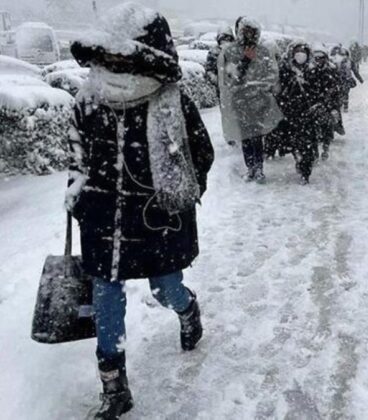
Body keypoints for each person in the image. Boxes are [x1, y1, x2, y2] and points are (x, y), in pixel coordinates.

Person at [66, 3, 214, 419]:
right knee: (106, 300)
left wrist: (177, 194)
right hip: (103, 222)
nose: (115, 64)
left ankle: (186, 309)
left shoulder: (170, 101)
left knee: (164, 288)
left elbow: (201, 154)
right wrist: (78, 194)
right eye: (109, 57)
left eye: (123, 57)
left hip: (157, 220)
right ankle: (114, 387)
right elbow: (77, 157)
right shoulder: (89, 100)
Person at [218, 17, 283, 183]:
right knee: (245, 136)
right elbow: (231, 77)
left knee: (257, 136)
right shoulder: (230, 51)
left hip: (260, 101)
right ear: (240, 32)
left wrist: (261, 86)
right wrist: (246, 61)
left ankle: (259, 169)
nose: (249, 35)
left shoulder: (264, 51)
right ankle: (250, 167)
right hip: (240, 101)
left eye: (252, 32)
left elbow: (272, 74)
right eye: (245, 31)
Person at [277, 42, 321, 184]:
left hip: (308, 113)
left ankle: (305, 171)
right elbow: (280, 90)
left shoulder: (313, 70)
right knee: (293, 143)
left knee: (306, 143)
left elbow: (318, 91)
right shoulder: (285, 69)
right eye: (297, 51)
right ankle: (299, 159)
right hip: (290, 113)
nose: (300, 54)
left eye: (303, 52)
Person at [309, 44, 343, 160]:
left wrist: (333, 105)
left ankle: (325, 147)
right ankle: (314, 152)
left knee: (327, 127)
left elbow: (336, 88)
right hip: (313, 104)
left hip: (328, 104)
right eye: (316, 57)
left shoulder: (332, 70)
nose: (318, 60)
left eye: (320, 57)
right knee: (311, 129)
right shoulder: (309, 70)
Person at [204, 25, 235, 95]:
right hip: (223, 88)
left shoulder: (235, 52)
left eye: (228, 39)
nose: (225, 42)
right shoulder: (214, 52)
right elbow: (209, 70)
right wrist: (217, 80)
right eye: (223, 40)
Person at [331, 44, 363, 111]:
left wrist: (360, 79)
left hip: (346, 80)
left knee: (345, 93)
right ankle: (341, 104)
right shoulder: (336, 62)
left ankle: (345, 106)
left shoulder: (350, 62)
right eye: (342, 55)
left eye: (344, 55)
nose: (344, 57)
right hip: (339, 80)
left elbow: (355, 71)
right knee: (339, 92)